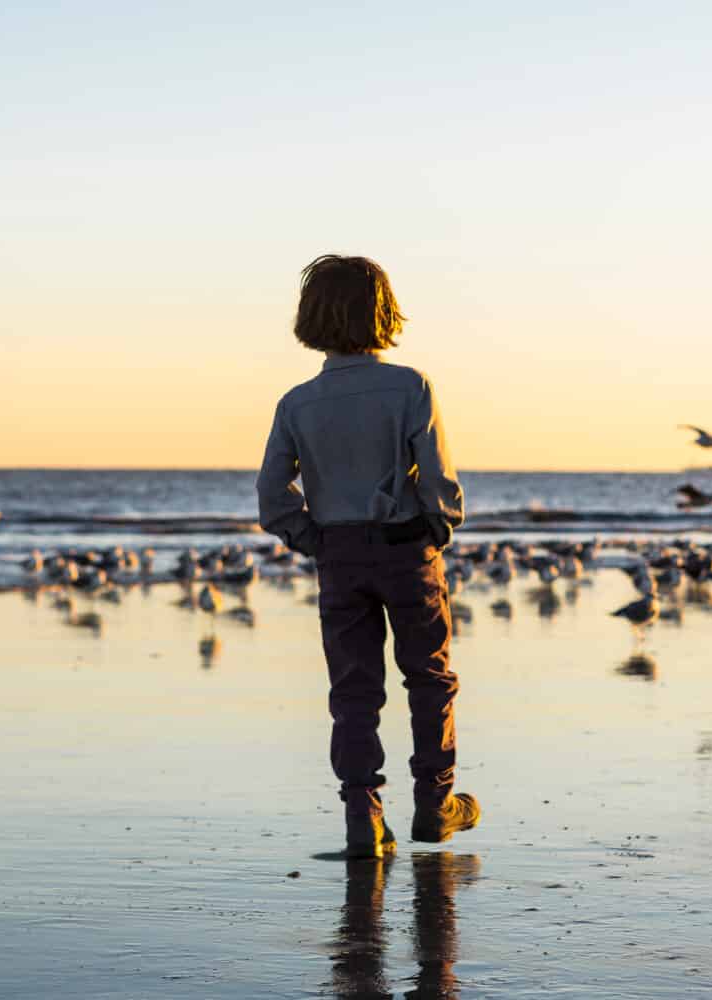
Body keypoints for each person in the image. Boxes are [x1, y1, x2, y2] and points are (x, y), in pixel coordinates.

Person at [256, 254, 480, 859]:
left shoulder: (297, 402)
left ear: (311, 318)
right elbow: (439, 483)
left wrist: (315, 539)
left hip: (339, 555)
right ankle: (435, 803)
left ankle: (363, 815)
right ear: (384, 312)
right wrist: (437, 528)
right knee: (428, 678)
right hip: (407, 549)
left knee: (353, 690)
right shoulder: (410, 386)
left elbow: (272, 498)